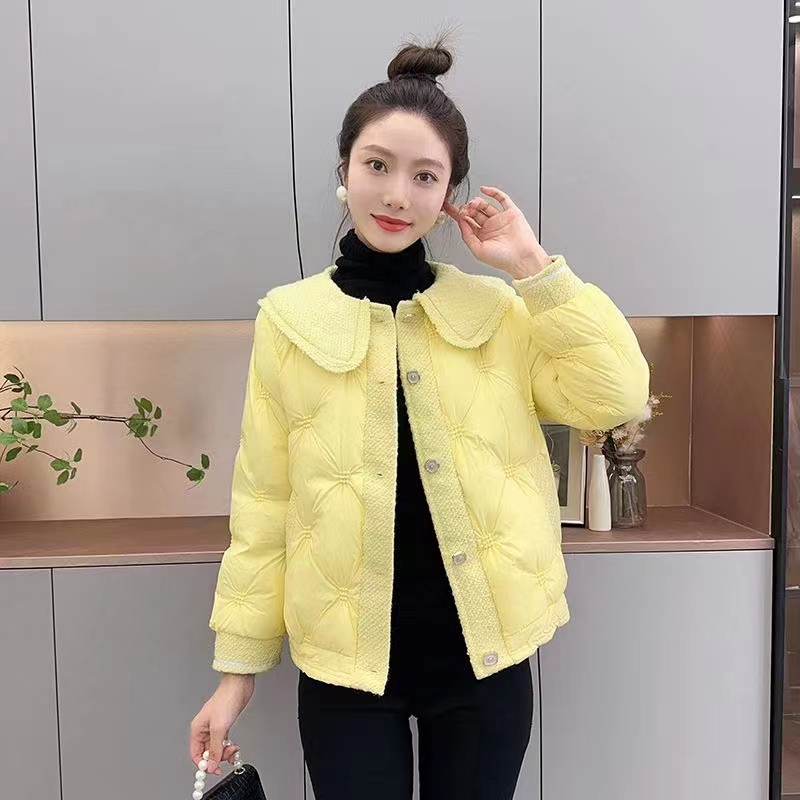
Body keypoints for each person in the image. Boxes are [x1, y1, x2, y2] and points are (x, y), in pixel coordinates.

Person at [190, 37, 650, 800]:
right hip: (345, 670)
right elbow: (265, 505)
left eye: (424, 175)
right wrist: (235, 675)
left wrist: (532, 267)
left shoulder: (498, 310)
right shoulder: (289, 320)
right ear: (344, 171)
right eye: (377, 165)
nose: (397, 195)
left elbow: (615, 395)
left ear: (449, 193)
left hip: (485, 661)